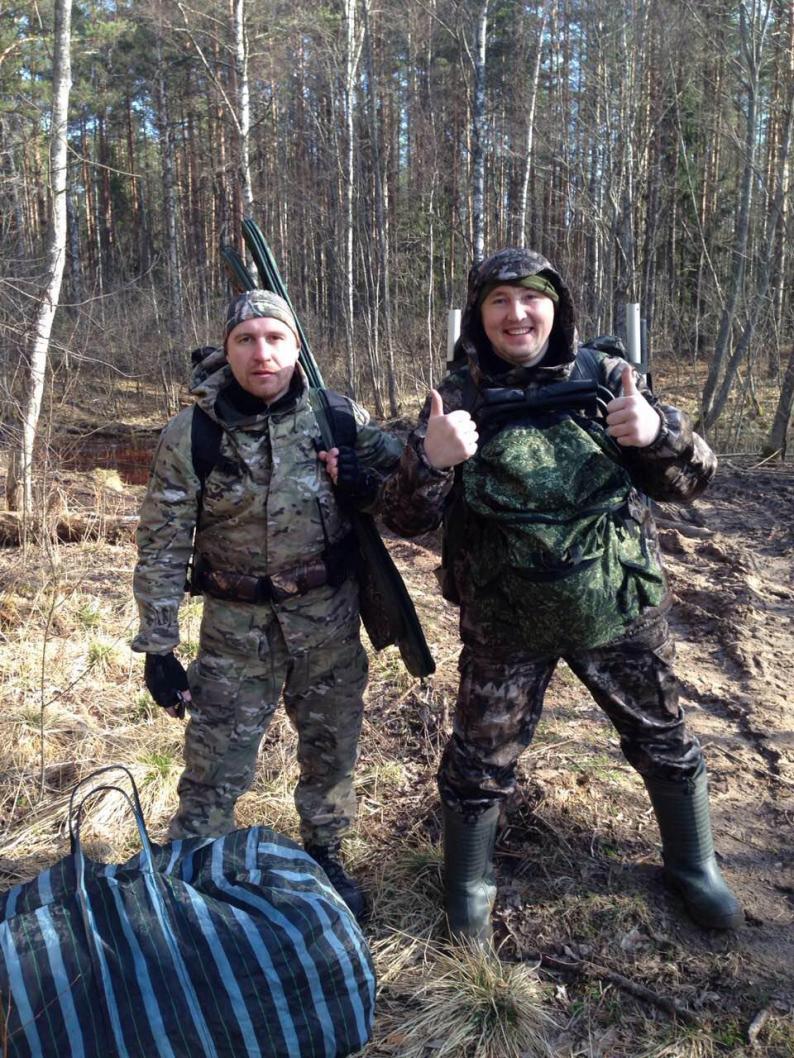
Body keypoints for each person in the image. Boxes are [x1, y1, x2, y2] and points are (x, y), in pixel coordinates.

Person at [381, 248, 743, 941]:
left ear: (558, 306)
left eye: (531, 298)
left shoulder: (610, 379)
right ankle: (469, 886)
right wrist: (431, 461)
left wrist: (658, 435)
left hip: (618, 608)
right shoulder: (455, 399)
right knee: (479, 762)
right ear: (478, 316)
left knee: (662, 736)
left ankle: (694, 864)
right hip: (504, 620)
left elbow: (695, 481)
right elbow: (405, 520)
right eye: (498, 301)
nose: (516, 314)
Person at [132, 289, 404, 920]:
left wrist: (366, 482)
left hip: (328, 623)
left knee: (332, 749)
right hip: (235, 632)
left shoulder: (336, 416)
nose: (262, 353)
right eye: (246, 340)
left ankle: (326, 854)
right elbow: (163, 543)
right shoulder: (193, 433)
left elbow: (410, 486)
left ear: (296, 346)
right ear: (227, 352)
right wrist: (159, 646)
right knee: (214, 763)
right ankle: (192, 875)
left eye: (275, 338)